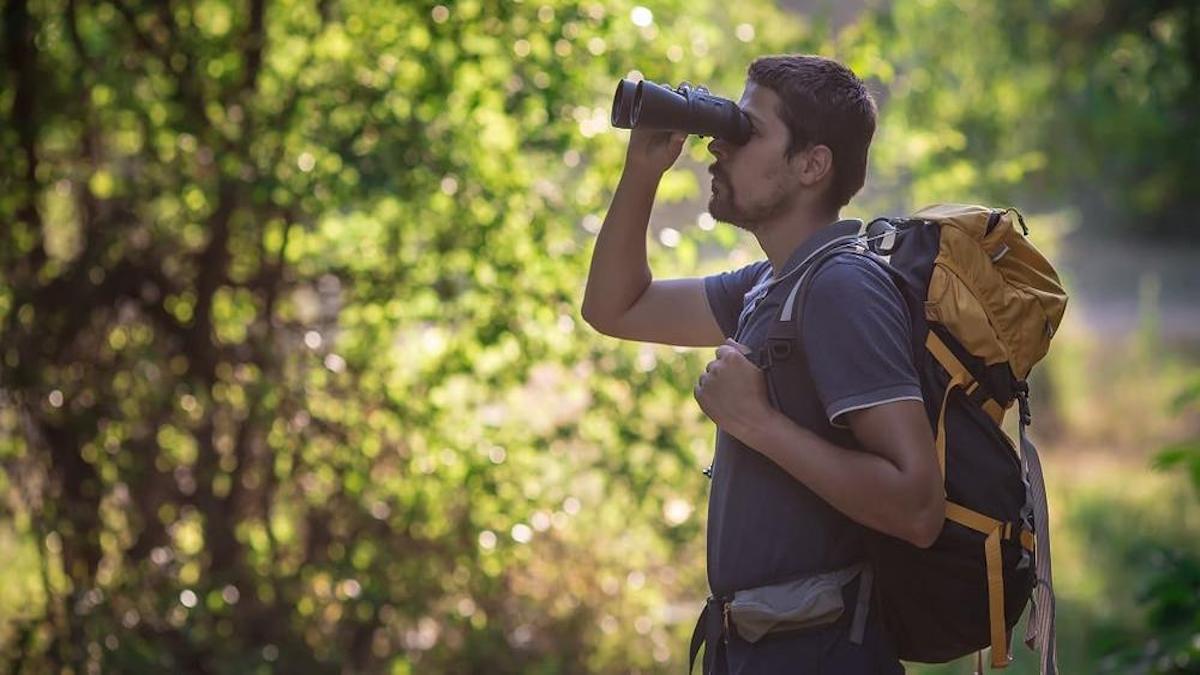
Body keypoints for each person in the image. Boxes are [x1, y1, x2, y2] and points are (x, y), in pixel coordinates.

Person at [581, 54, 945, 673]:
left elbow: (918, 509)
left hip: (819, 650)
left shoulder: (840, 288)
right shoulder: (770, 285)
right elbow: (617, 307)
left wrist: (757, 423)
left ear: (811, 164)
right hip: (757, 647)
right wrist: (643, 170)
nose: (719, 144)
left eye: (746, 129)